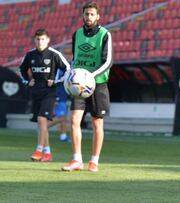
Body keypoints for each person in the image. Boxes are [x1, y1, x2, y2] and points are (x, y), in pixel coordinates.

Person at [62, 1, 113, 172]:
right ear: (82, 16)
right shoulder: (76, 34)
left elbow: (108, 62)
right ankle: (77, 160)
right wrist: (71, 74)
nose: (89, 17)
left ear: (98, 16)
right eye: (86, 14)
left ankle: (94, 161)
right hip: (78, 86)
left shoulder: (105, 34)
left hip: (97, 85)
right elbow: (75, 59)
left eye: (92, 14)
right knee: (74, 120)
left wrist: (90, 76)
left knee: (97, 123)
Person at [19, 28, 70, 162]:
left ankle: (39, 150)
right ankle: (47, 154)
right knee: (40, 124)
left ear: (48, 40)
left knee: (42, 120)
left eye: (42, 39)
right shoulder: (30, 55)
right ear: (34, 40)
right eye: (38, 39)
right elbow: (22, 70)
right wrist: (27, 81)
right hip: (35, 92)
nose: (40, 42)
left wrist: (57, 81)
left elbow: (68, 69)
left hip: (50, 92)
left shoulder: (54, 54)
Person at [47, 69, 70, 143]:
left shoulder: (64, 68)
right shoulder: (59, 70)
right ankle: (44, 127)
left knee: (63, 118)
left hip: (62, 97)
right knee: (62, 118)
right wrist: (55, 98)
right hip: (59, 97)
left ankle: (63, 136)